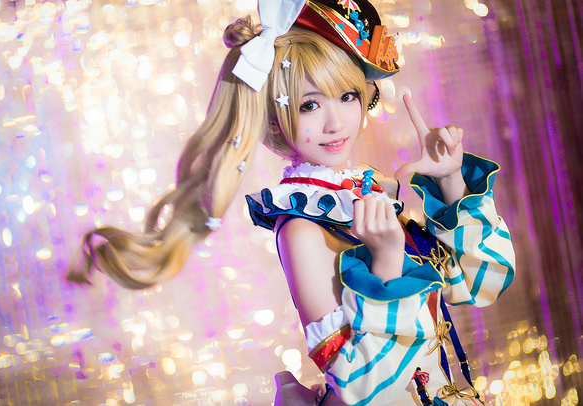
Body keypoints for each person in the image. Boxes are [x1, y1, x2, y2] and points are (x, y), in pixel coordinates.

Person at [68, 0, 516, 404]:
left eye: (346, 96)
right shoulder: (301, 228)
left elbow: (477, 285)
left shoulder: (370, 190)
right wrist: (385, 261)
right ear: (275, 118)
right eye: (308, 106)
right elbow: (360, 386)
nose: (336, 122)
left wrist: (451, 181)